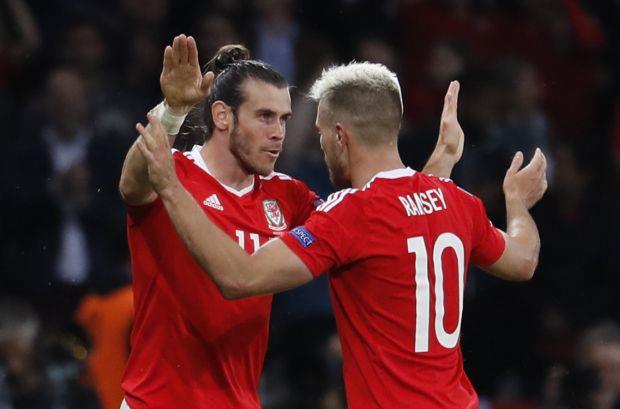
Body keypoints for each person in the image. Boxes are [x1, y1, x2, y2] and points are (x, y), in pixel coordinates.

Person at [135, 61, 547, 408]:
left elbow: (239, 277)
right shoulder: (456, 201)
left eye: (318, 133)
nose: (313, 143)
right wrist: (516, 203)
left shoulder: (350, 214)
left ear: (339, 135)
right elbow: (523, 260)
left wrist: (170, 186)